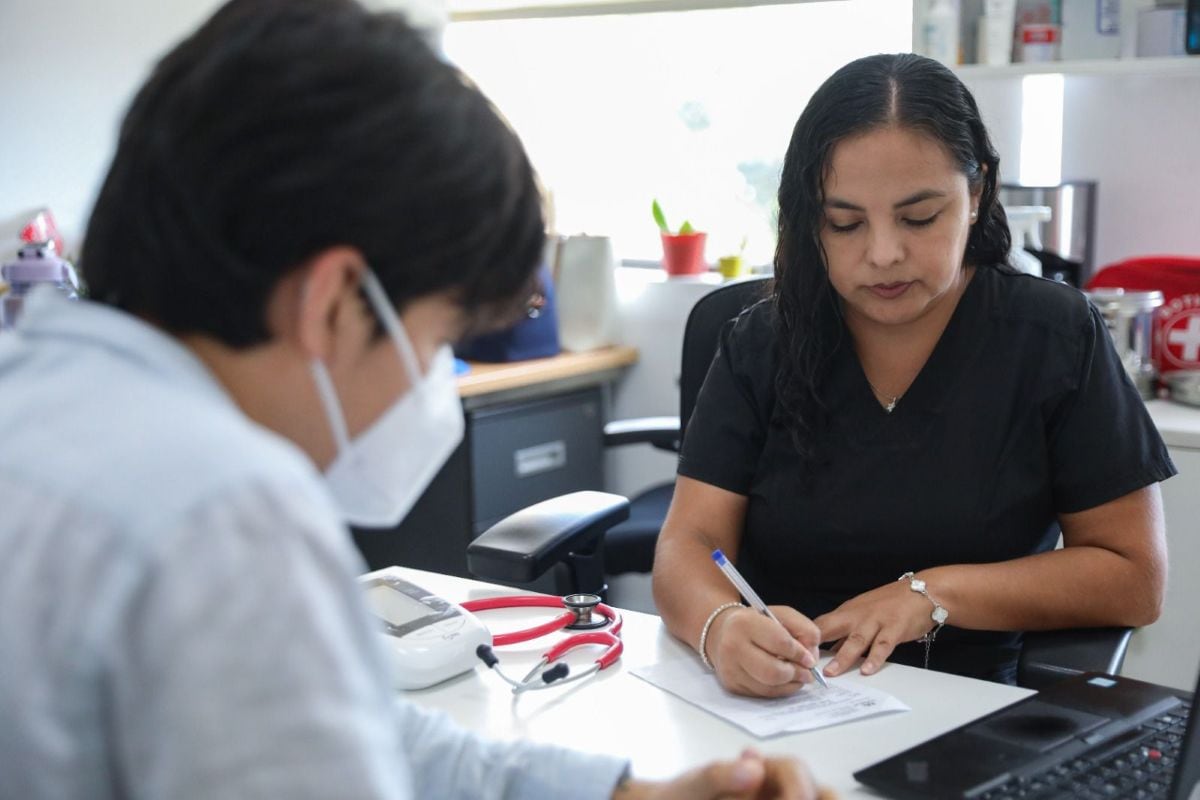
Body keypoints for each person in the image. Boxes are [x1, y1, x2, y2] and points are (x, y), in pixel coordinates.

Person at [0, 1, 826, 797]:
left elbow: (351, 730)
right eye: (437, 340)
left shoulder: (40, 397)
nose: (431, 379)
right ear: (333, 302)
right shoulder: (222, 511)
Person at [652, 53, 1175, 697]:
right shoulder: (763, 341)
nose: (883, 254)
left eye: (919, 217)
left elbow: (1134, 578)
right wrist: (721, 625)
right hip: (782, 703)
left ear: (976, 193)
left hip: (972, 707)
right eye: (844, 223)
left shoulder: (1053, 336)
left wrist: (934, 594)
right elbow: (689, 543)